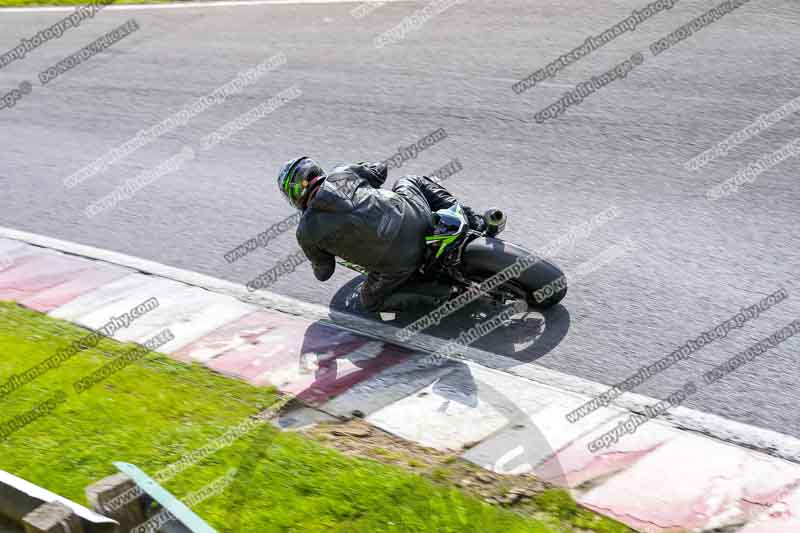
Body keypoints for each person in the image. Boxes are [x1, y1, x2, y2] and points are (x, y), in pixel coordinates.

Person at [276, 156, 491, 313]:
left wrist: (317, 262)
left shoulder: (305, 232)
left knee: (370, 301)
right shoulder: (342, 172)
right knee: (409, 181)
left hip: (398, 264)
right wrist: (360, 172)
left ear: (292, 195)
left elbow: (324, 272)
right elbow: (380, 170)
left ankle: (447, 293)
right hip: (417, 217)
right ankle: (472, 219)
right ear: (316, 170)